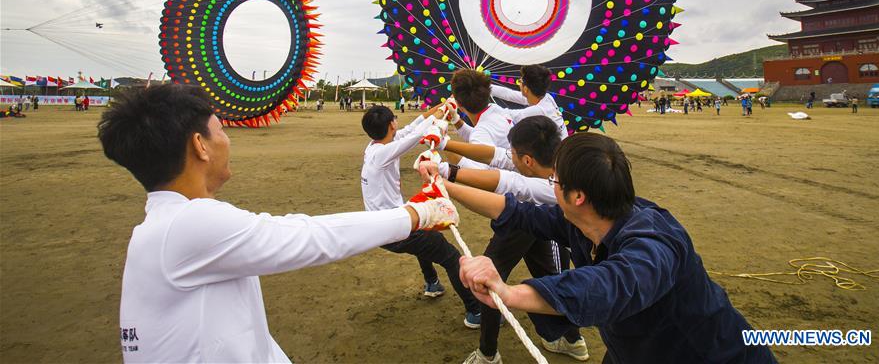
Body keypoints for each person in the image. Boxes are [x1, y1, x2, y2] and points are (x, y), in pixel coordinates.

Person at [98, 84, 460, 363]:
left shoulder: (164, 226)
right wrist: (417, 214)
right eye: (221, 129)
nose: (227, 140)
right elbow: (311, 237)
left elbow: (245, 336)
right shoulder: (188, 224)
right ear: (200, 145)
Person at [454, 133, 777, 364]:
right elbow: (518, 211)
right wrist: (445, 185)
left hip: (707, 354)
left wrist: (509, 293)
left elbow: (609, 285)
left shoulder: (655, 241)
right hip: (633, 351)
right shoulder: (585, 218)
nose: (550, 187)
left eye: (554, 181)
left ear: (577, 196)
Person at [418, 116, 589, 363]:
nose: (510, 156)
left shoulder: (551, 186)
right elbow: (496, 156)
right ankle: (571, 339)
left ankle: (488, 354)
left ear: (528, 160)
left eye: (515, 154)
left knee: (488, 277)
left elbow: (507, 182)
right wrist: (444, 145)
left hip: (535, 223)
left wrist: (444, 176)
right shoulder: (552, 157)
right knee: (546, 273)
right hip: (534, 219)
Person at [360, 104, 483, 329]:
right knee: (450, 256)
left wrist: (440, 107)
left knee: (424, 232)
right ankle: (475, 311)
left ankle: (432, 283)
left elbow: (412, 127)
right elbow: (415, 136)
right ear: (391, 125)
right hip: (394, 228)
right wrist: (437, 119)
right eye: (395, 119)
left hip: (387, 224)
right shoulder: (383, 153)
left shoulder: (374, 147)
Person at [489, 65, 568, 141]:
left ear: (526, 89)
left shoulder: (538, 111)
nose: (519, 83)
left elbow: (505, 114)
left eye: (520, 81)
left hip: (559, 152)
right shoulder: (546, 97)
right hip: (561, 145)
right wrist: (485, 85)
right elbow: (509, 94)